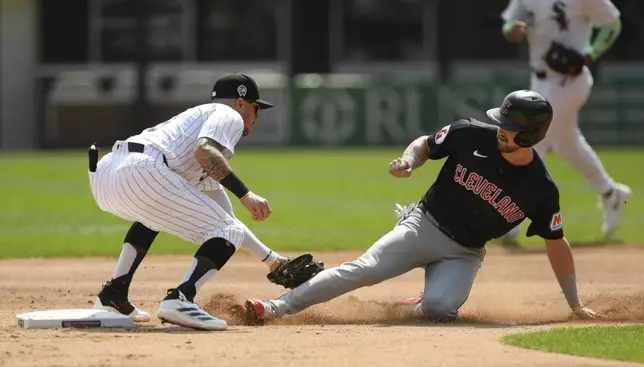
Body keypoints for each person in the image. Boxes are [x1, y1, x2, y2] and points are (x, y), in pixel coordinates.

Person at [245, 90, 601, 324]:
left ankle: (416, 302)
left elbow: (557, 243)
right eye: (500, 122)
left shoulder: (540, 188)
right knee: (365, 269)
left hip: (464, 253)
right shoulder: (471, 133)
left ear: (531, 135)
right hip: (423, 225)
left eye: (508, 127)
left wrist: (574, 305)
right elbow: (426, 144)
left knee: (437, 310)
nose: (499, 129)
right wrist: (409, 160)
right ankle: (277, 307)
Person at [88, 73, 295, 331]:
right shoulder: (228, 114)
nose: (255, 117)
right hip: (143, 170)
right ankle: (180, 299)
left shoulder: (193, 124)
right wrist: (245, 194)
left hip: (108, 173)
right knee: (222, 230)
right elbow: (204, 151)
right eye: (256, 108)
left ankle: (114, 294)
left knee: (159, 216)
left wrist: (272, 260)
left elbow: (227, 220)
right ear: (240, 103)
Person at [498, 0, 631, 245]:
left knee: (531, 142)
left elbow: (612, 23)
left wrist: (592, 52)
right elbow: (509, 22)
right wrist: (512, 30)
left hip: (569, 80)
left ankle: (511, 218)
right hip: (539, 80)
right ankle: (611, 194)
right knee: (568, 145)